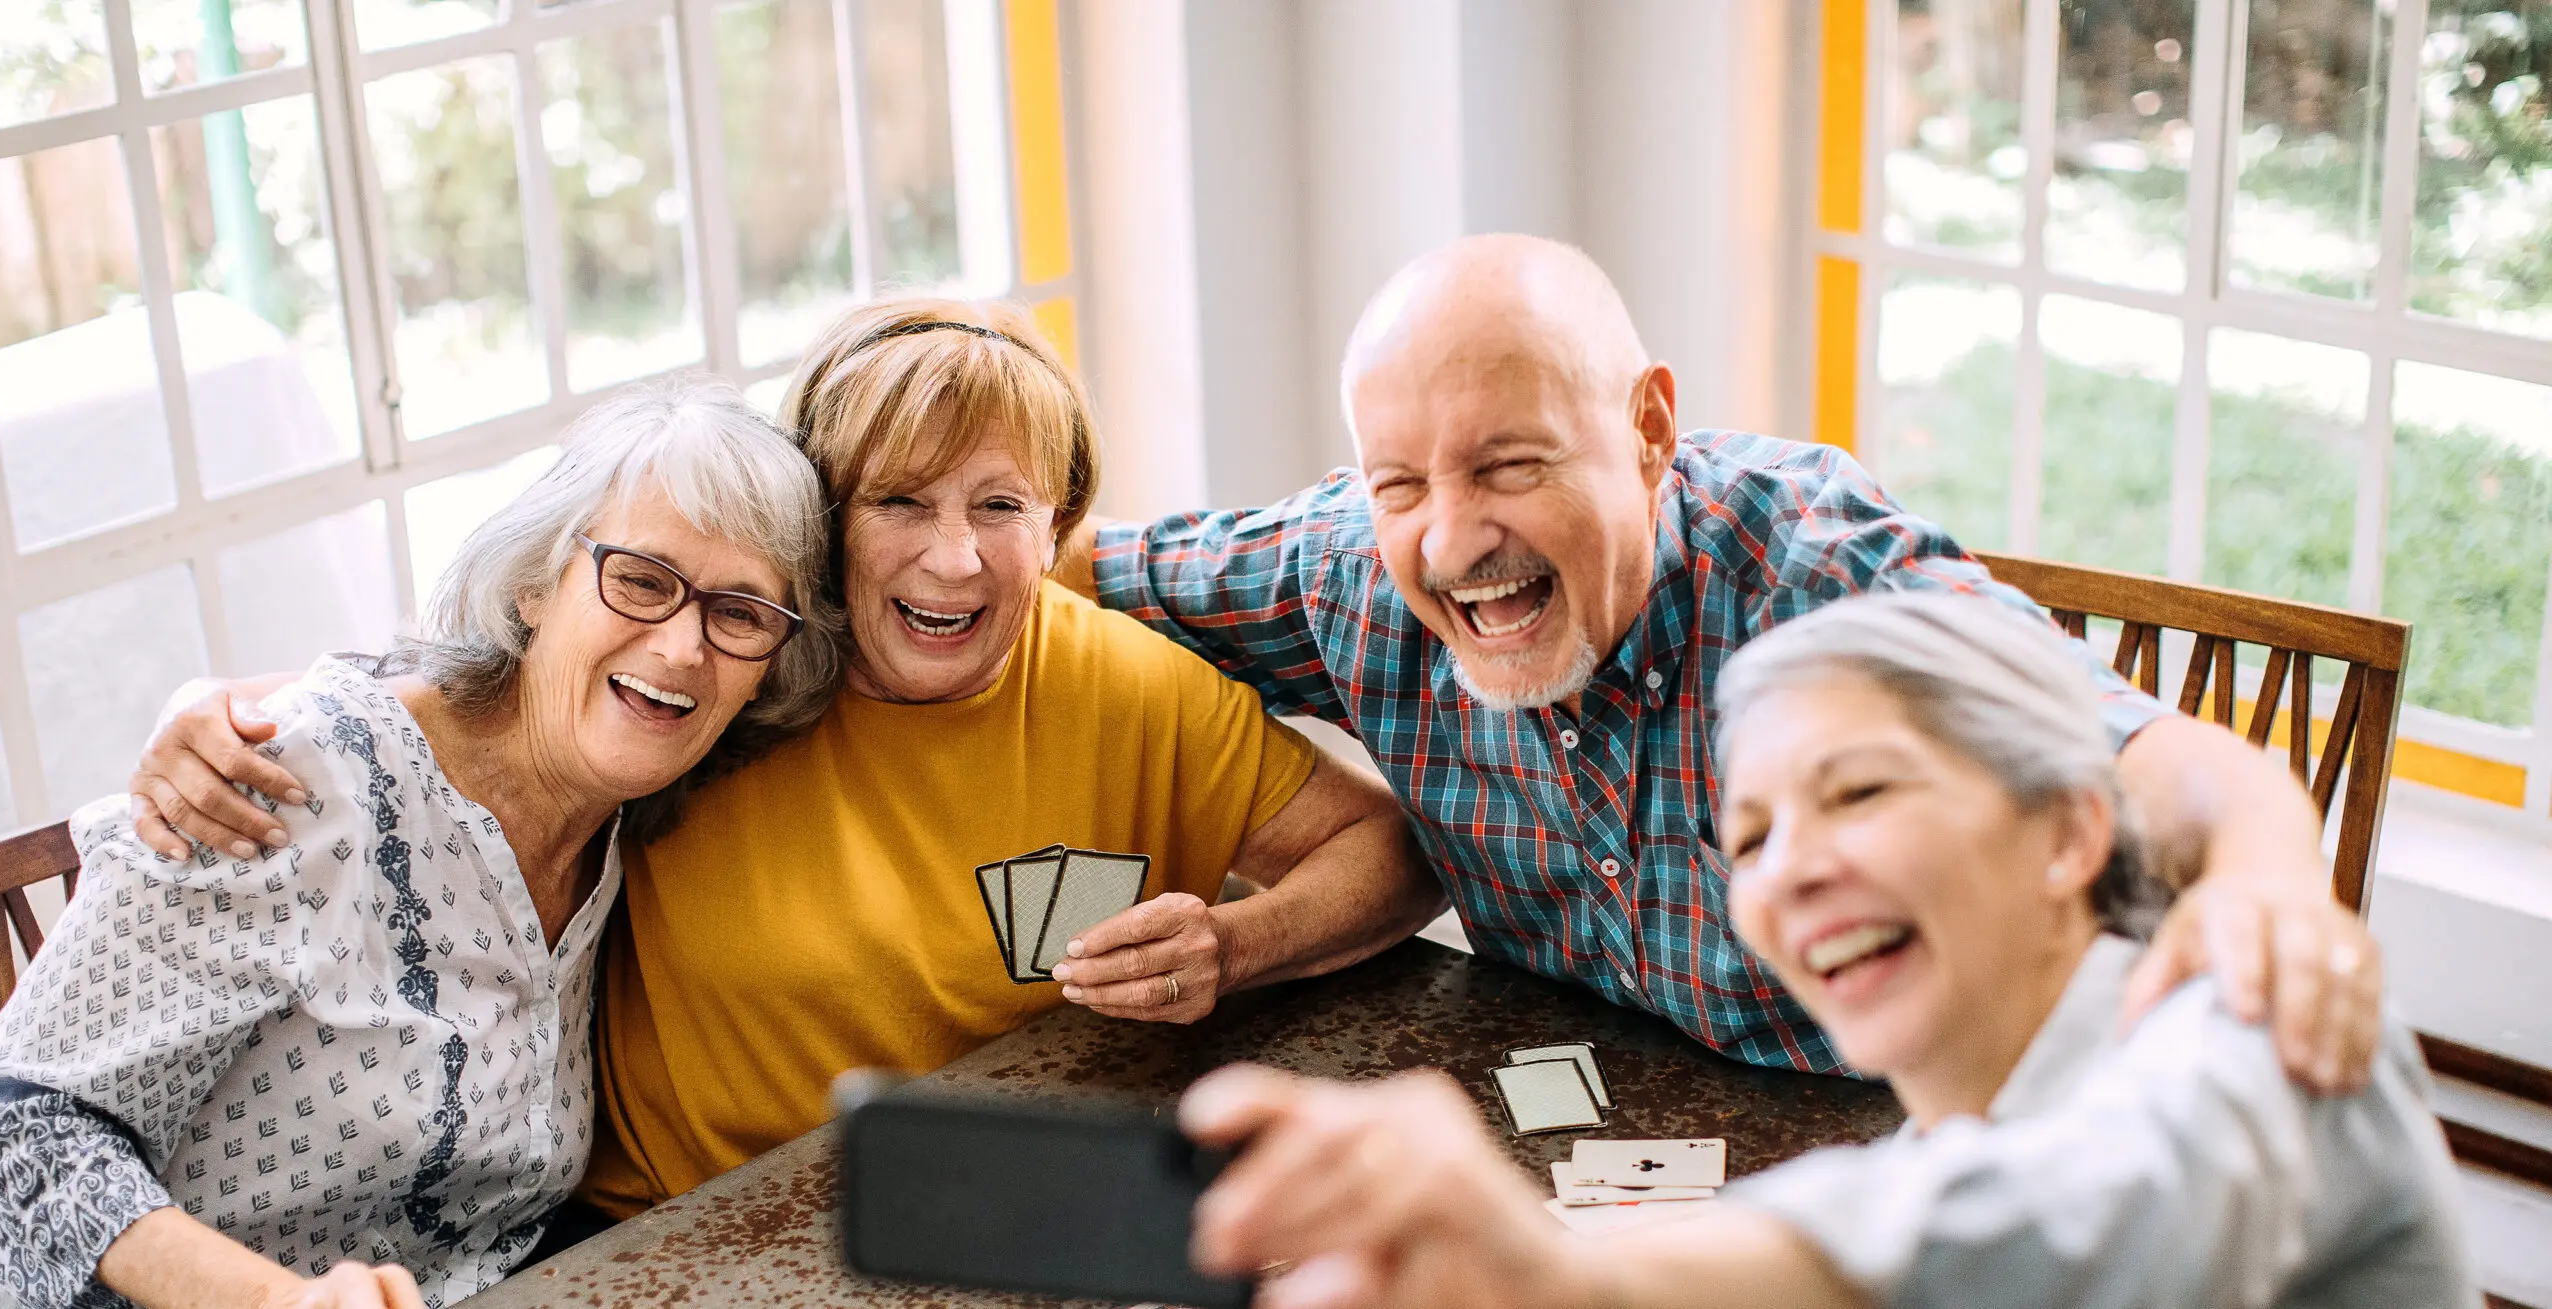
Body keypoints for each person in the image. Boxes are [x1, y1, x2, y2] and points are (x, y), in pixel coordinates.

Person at [119, 299, 1434, 1222]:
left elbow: (1389, 846)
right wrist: (250, 709)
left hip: (1014, 1209)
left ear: (1062, 522)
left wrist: (1235, 945)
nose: (954, 557)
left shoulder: (1120, 680)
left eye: (1000, 507)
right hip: (683, 1233)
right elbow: (488, 693)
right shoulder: (725, 682)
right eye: (899, 502)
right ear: (822, 523)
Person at [1060, 232, 2383, 1091]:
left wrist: (2270, 877)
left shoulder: (1821, 572)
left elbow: (2155, 754)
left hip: (1898, 1127)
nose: (1455, 536)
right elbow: (1069, 565)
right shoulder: (1347, 566)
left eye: (1510, 465)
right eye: (1400, 479)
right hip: (1575, 1128)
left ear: (1648, 429)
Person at [1178, 590, 2477, 1309]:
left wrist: (1579, 1280)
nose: (1788, 867)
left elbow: (2058, 1224)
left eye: (1858, 794)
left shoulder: (2257, 1017)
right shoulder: (1946, 1134)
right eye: (1746, 839)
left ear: (2074, 829)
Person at [0, 379, 837, 1309]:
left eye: (740, 613)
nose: (683, 647)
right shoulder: (289, 780)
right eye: (640, 579)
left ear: (769, 666)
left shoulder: (642, 810)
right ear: (533, 585)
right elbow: (20, 1141)